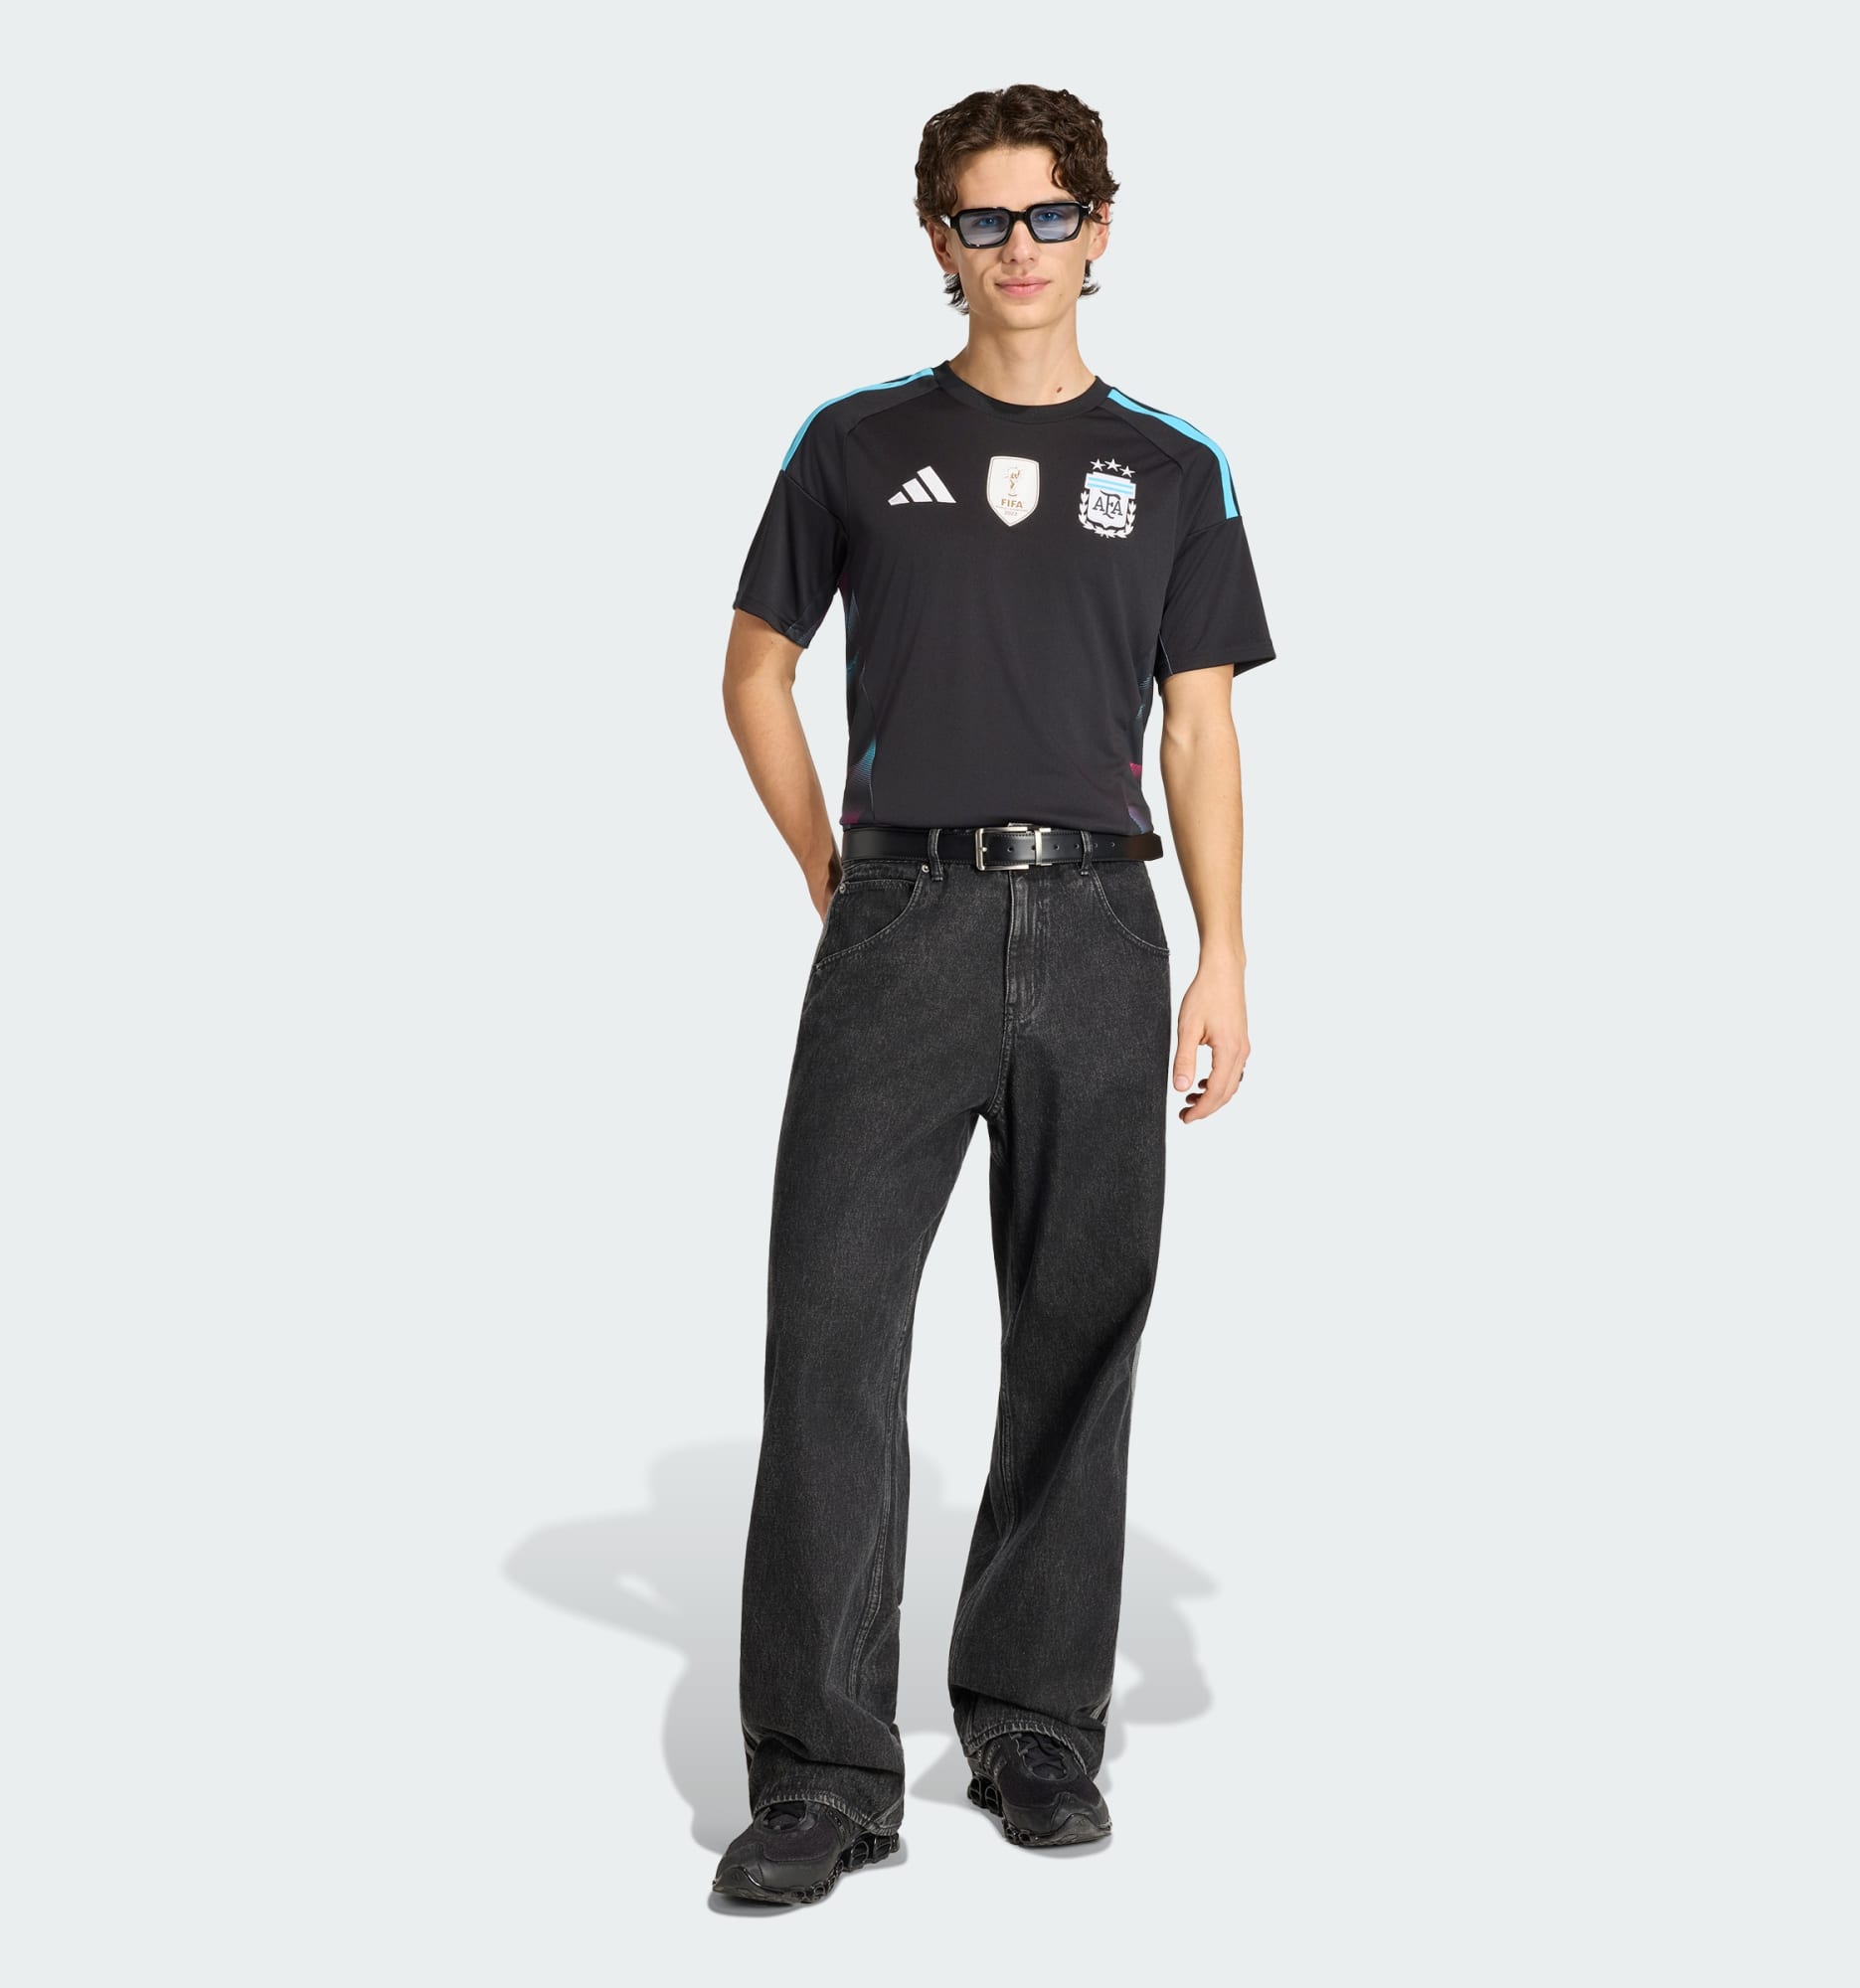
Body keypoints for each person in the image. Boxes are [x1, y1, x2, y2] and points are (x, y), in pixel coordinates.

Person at [712, 82, 1275, 1906]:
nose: (1017, 248)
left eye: (1048, 216)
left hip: (1104, 921)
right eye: (982, 218)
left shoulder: (1174, 468)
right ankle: (821, 1771)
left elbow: (1200, 728)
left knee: (1079, 1326)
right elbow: (753, 671)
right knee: (832, 1331)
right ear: (937, 238)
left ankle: (1035, 1727)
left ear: (1100, 230)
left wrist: (1224, 953)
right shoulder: (856, 445)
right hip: (904, 920)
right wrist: (831, 865)